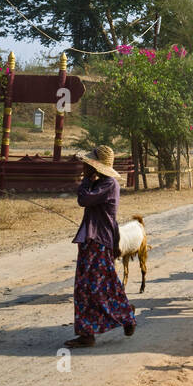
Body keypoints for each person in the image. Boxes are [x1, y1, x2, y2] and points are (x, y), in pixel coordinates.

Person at [65, 145, 136, 348]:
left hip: (98, 242)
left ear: (96, 166)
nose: (84, 167)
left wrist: (87, 179)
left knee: (91, 288)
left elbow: (83, 199)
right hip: (94, 241)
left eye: (88, 164)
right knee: (94, 287)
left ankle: (121, 317)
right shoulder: (102, 183)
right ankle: (118, 318)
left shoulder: (108, 184)